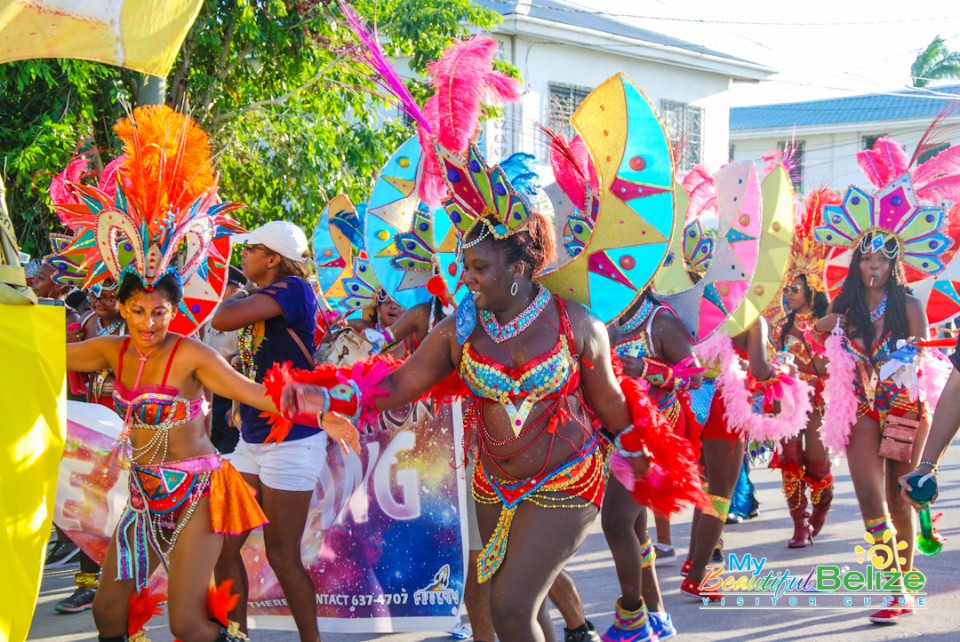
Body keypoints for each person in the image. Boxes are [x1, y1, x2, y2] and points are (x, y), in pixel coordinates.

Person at [277, 201, 698, 642]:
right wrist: (327, 396)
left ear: (518, 268)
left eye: (479, 267)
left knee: (511, 606)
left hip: (567, 478)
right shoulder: (463, 328)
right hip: (492, 485)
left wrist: (637, 451)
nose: (467, 277)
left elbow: (611, 404)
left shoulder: (575, 324)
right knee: (512, 607)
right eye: (464, 265)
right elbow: (399, 385)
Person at [53, 104, 359, 642]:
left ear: (175, 311)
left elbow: (251, 389)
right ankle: (235, 631)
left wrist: (323, 411)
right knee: (107, 613)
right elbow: (44, 352)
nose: (149, 322)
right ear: (121, 308)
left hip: (200, 489)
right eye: (138, 310)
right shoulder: (110, 350)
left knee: (197, 618)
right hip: (147, 497)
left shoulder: (204, 346)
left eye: (160, 311)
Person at [211, 220, 326, 642]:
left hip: (293, 440)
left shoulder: (293, 291)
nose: (242, 256)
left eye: (250, 249)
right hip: (252, 439)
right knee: (222, 547)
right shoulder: (262, 296)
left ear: (274, 259)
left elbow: (221, 319)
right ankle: (236, 635)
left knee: (281, 553)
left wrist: (226, 290)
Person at [814, 234, 929, 624]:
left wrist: (909, 352)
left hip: (902, 408)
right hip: (861, 407)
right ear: (857, 264)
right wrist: (825, 324)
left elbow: (926, 367)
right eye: (866, 259)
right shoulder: (844, 307)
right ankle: (893, 586)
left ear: (893, 265)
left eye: (881, 260)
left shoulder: (910, 307)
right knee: (868, 496)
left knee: (899, 498)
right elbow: (824, 353)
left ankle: (906, 583)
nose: (873, 266)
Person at [603, 290, 702, 641]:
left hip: (657, 436)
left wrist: (648, 369)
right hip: (622, 433)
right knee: (634, 525)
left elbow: (694, 375)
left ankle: (633, 619)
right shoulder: (610, 321)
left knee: (616, 523)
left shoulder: (660, 320)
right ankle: (656, 613)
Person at [56, 280, 126, 614]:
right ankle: (88, 582)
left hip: (129, 427)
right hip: (93, 427)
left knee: (123, 508)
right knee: (89, 502)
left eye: (110, 293)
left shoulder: (134, 324)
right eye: (95, 292)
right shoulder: (86, 323)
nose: (100, 299)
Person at [773, 273, 831, 547]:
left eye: (794, 289)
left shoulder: (827, 324)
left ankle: (820, 508)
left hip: (819, 399)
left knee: (817, 461)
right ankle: (799, 523)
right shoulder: (780, 328)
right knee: (790, 459)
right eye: (786, 289)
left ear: (812, 290)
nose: (789, 294)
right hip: (789, 399)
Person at [200, 266, 247, 454]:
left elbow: (243, 362)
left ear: (236, 291)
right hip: (209, 392)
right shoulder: (209, 319)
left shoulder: (243, 321)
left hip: (230, 394)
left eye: (223, 287)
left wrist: (236, 405)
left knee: (228, 450)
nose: (216, 290)